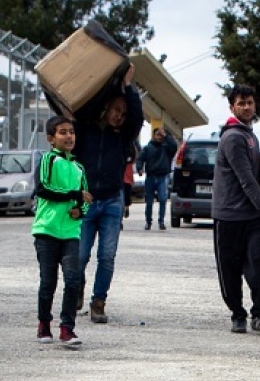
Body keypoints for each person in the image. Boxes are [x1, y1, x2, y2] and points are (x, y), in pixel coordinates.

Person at [212, 84, 260, 335]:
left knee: (257, 265)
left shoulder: (250, 136)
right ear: (232, 107)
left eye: (250, 103)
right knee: (230, 269)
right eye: (241, 103)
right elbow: (246, 180)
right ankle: (237, 315)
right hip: (229, 216)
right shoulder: (233, 137)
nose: (246, 107)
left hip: (253, 217)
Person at [75, 65, 143, 325]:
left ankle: (99, 301)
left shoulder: (123, 137)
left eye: (123, 113)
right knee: (80, 254)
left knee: (107, 255)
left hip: (112, 202)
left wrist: (129, 88)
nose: (119, 116)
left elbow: (137, 118)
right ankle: (77, 285)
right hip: (87, 201)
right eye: (116, 110)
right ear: (106, 109)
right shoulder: (86, 131)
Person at [34, 116, 93, 347]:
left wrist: (82, 209)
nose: (69, 136)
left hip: (70, 232)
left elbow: (86, 196)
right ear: (51, 139)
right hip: (46, 230)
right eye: (62, 132)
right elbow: (44, 189)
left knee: (73, 279)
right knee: (48, 281)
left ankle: (67, 328)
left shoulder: (79, 167)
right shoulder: (48, 160)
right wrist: (74, 196)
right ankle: (43, 324)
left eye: (71, 132)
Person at [135, 125, 178, 231]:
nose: (159, 137)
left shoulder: (166, 148)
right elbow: (140, 159)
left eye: (161, 135)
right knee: (149, 201)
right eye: (157, 135)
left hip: (163, 177)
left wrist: (167, 135)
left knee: (163, 199)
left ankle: (161, 222)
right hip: (150, 177)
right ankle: (148, 222)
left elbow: (174, 147)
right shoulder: (148, 148)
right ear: (153, 135)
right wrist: (139, 168)